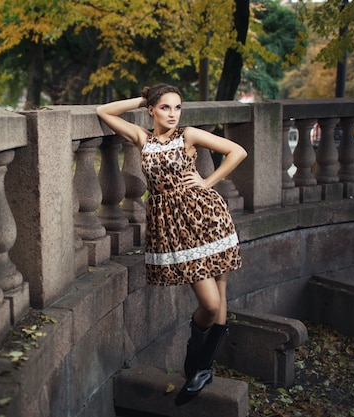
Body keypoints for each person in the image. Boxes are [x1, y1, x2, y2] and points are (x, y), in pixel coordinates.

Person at [96, 84, 247, 404]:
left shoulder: (188, 135)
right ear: (151, 110)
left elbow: (237, 151)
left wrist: (207, 181)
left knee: (218, 295)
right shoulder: (143, 139)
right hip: (173, 227)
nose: (172, 114)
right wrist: (141, 98)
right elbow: (103, 112)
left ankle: (199, 366)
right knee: (210, 303)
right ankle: (199, 364)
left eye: (177, 108)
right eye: (165, 107)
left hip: (208, 217)